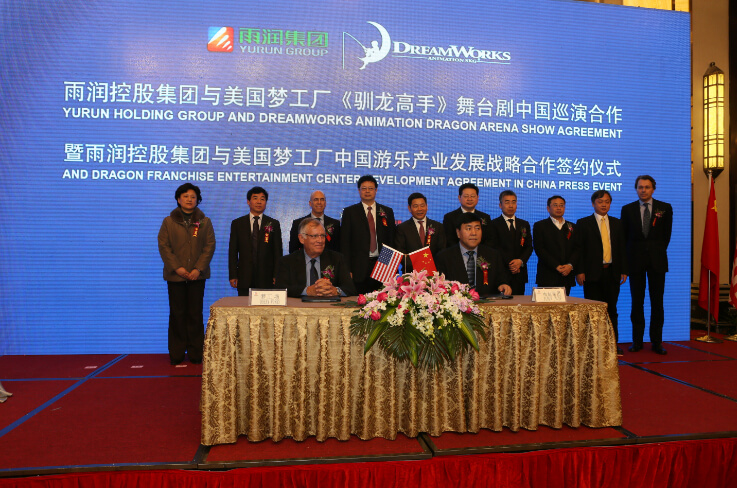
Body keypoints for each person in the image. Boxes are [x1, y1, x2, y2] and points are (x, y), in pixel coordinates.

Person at [158, 183, 216, 365]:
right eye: (185, 196)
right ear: (178, 199)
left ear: (197, 200)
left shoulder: (205, 221)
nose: (189, 199)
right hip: (175, 276)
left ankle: (196, 352)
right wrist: (178, 268)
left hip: (197, 276)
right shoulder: (168, 222)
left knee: (195, 314)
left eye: (193, 197)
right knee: (177, 314)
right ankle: (176, 353)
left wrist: (198, 269)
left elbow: (209, 246)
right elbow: (164, 246)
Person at [620, 175, 673, 355]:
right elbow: (624, 238)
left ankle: (657, 342)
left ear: (653, 189)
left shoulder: (664, 208)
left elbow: (666, 236)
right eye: (640, 187)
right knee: (637, 302)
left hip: (657, 262)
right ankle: (637, 341)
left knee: (657, 302)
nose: (643, 190)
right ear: (636, 189)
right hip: (635, 262)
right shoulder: (627, 209)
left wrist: (654, 251)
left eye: (647, 187)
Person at [574, 190, 628, 356]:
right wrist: (579, 271)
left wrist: (624, 269)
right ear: (593, 204)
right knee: (593, 311)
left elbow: (622, 248)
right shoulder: (583, 223)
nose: (604, 205)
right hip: (592, 274)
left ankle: (612, 344)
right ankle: (592, 346)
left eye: (607, 201)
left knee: (612, 310)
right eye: (600, 201)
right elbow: (578, 250)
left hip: (612, 272)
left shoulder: (617, 223)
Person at [340, 175, 396, 294]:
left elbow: (391, 240)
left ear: (376, 190)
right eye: (364, 188)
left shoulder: (387, 211)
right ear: (359, 190)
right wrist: (347, 269)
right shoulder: (350, 212)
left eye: (370, 188)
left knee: (382, 300)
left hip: (382, 265)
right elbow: (345, 243)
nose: (367, 191)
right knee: (359, 301)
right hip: (358, 268)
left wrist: (389, 267)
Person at [276, 218, 356, 298]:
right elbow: (280, 289)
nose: (320, 240)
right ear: (302, 238)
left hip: (329, 305)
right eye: (314, 236)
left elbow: (350, 289)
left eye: (322, 236)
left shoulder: (337, 259)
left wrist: (336, 291)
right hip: (299, 305)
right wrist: (307, 291)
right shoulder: (287, 261)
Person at [436, 213, 512, 296]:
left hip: (487, 302)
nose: (474, 233)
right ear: (458, 233)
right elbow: (440, 287)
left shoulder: (493, 255)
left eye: (477, 228)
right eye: (468, 228)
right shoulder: (444, 257)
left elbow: (501, 279)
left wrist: (503, 285)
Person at [228, 186, 283, 296]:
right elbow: (233, 251)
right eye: (255, 198)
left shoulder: (273, 223)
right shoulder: (237, 223)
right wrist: (233, 275)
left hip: (266, 277)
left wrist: (276, 274)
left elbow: (277, 252)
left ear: (266, 202)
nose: (259, 202)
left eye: (262, 199)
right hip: (244, 277)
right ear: (248, 202)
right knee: (244, 305)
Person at [487, 190, 533, 295]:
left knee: (519, 302)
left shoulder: (524, 224)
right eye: (507, 202)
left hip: (519, 273)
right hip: (501, 273)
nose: (511, 205)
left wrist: (520, 261)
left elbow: (529, 247)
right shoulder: (493, 224)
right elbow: (493, 247)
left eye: (513, 202)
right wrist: (512, 265)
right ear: (500, 205)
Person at [533, 195, 577, 295]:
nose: (559, 208)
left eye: (561, 205)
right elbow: (539, 249)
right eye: (555, 205)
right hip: (547, 275)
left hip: (567, 274)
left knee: (565, 304)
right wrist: (556, 266)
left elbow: (577, 248)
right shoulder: (540, 226)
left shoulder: (572, 226)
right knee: (546, 304)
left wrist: (570, 265)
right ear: (548, 208)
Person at [394, 192, 447, 273]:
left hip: (434, 273)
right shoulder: (402, 228)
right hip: (411, 273)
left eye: (422, 205)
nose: (419, 209)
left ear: (427, 206)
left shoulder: (438, 226)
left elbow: (442, 250)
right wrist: (418, 266)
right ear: (409, 208)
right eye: (415, 206)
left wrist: (431, 266)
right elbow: (400, 252)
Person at [443, 183, 492, 248]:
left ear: (477, 198)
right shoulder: (449, 217)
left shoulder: (485, 217)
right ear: (459, 198)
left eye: (473, 196)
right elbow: (449, 240)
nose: (470, 199)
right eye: (466, 196)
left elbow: (489, 240)